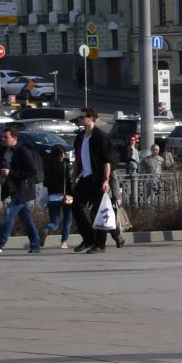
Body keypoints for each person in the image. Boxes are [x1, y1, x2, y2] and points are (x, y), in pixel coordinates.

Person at [0, 126, 44, 252]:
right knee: (26, 219)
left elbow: (31, 170)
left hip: (23, 189)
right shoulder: (2, 151)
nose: (3, 139)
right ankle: (36, 245)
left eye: (6, 137)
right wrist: (0, 178)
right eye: (2, 137)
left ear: (14, 138)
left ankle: (0, 242)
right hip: (11, 188)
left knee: (9, 212)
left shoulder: (22, 151)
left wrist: (11, 173)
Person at [72, 109, 113, 254]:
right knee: (76, 206)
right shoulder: (80, 137)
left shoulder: (100, 137)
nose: (79, 119)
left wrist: (106, 179)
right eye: (79, 117)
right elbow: (78, 159)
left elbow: (107, 160)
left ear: (91, 118)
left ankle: (100, 244)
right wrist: (73, 177)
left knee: (99, 211)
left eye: (82, 117)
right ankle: (88, 238)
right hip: (84, 178)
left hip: (98, 179)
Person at [43, 141, 75, 250]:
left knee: (54, 222)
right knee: (67, 220)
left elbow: (45, 183)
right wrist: (73, 194)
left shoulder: (48, 166)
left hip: (52, 197)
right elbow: (70, 182)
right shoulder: (66, 166)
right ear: (62, 154)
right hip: (66, 196)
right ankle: (64, 242)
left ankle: (47, 228)